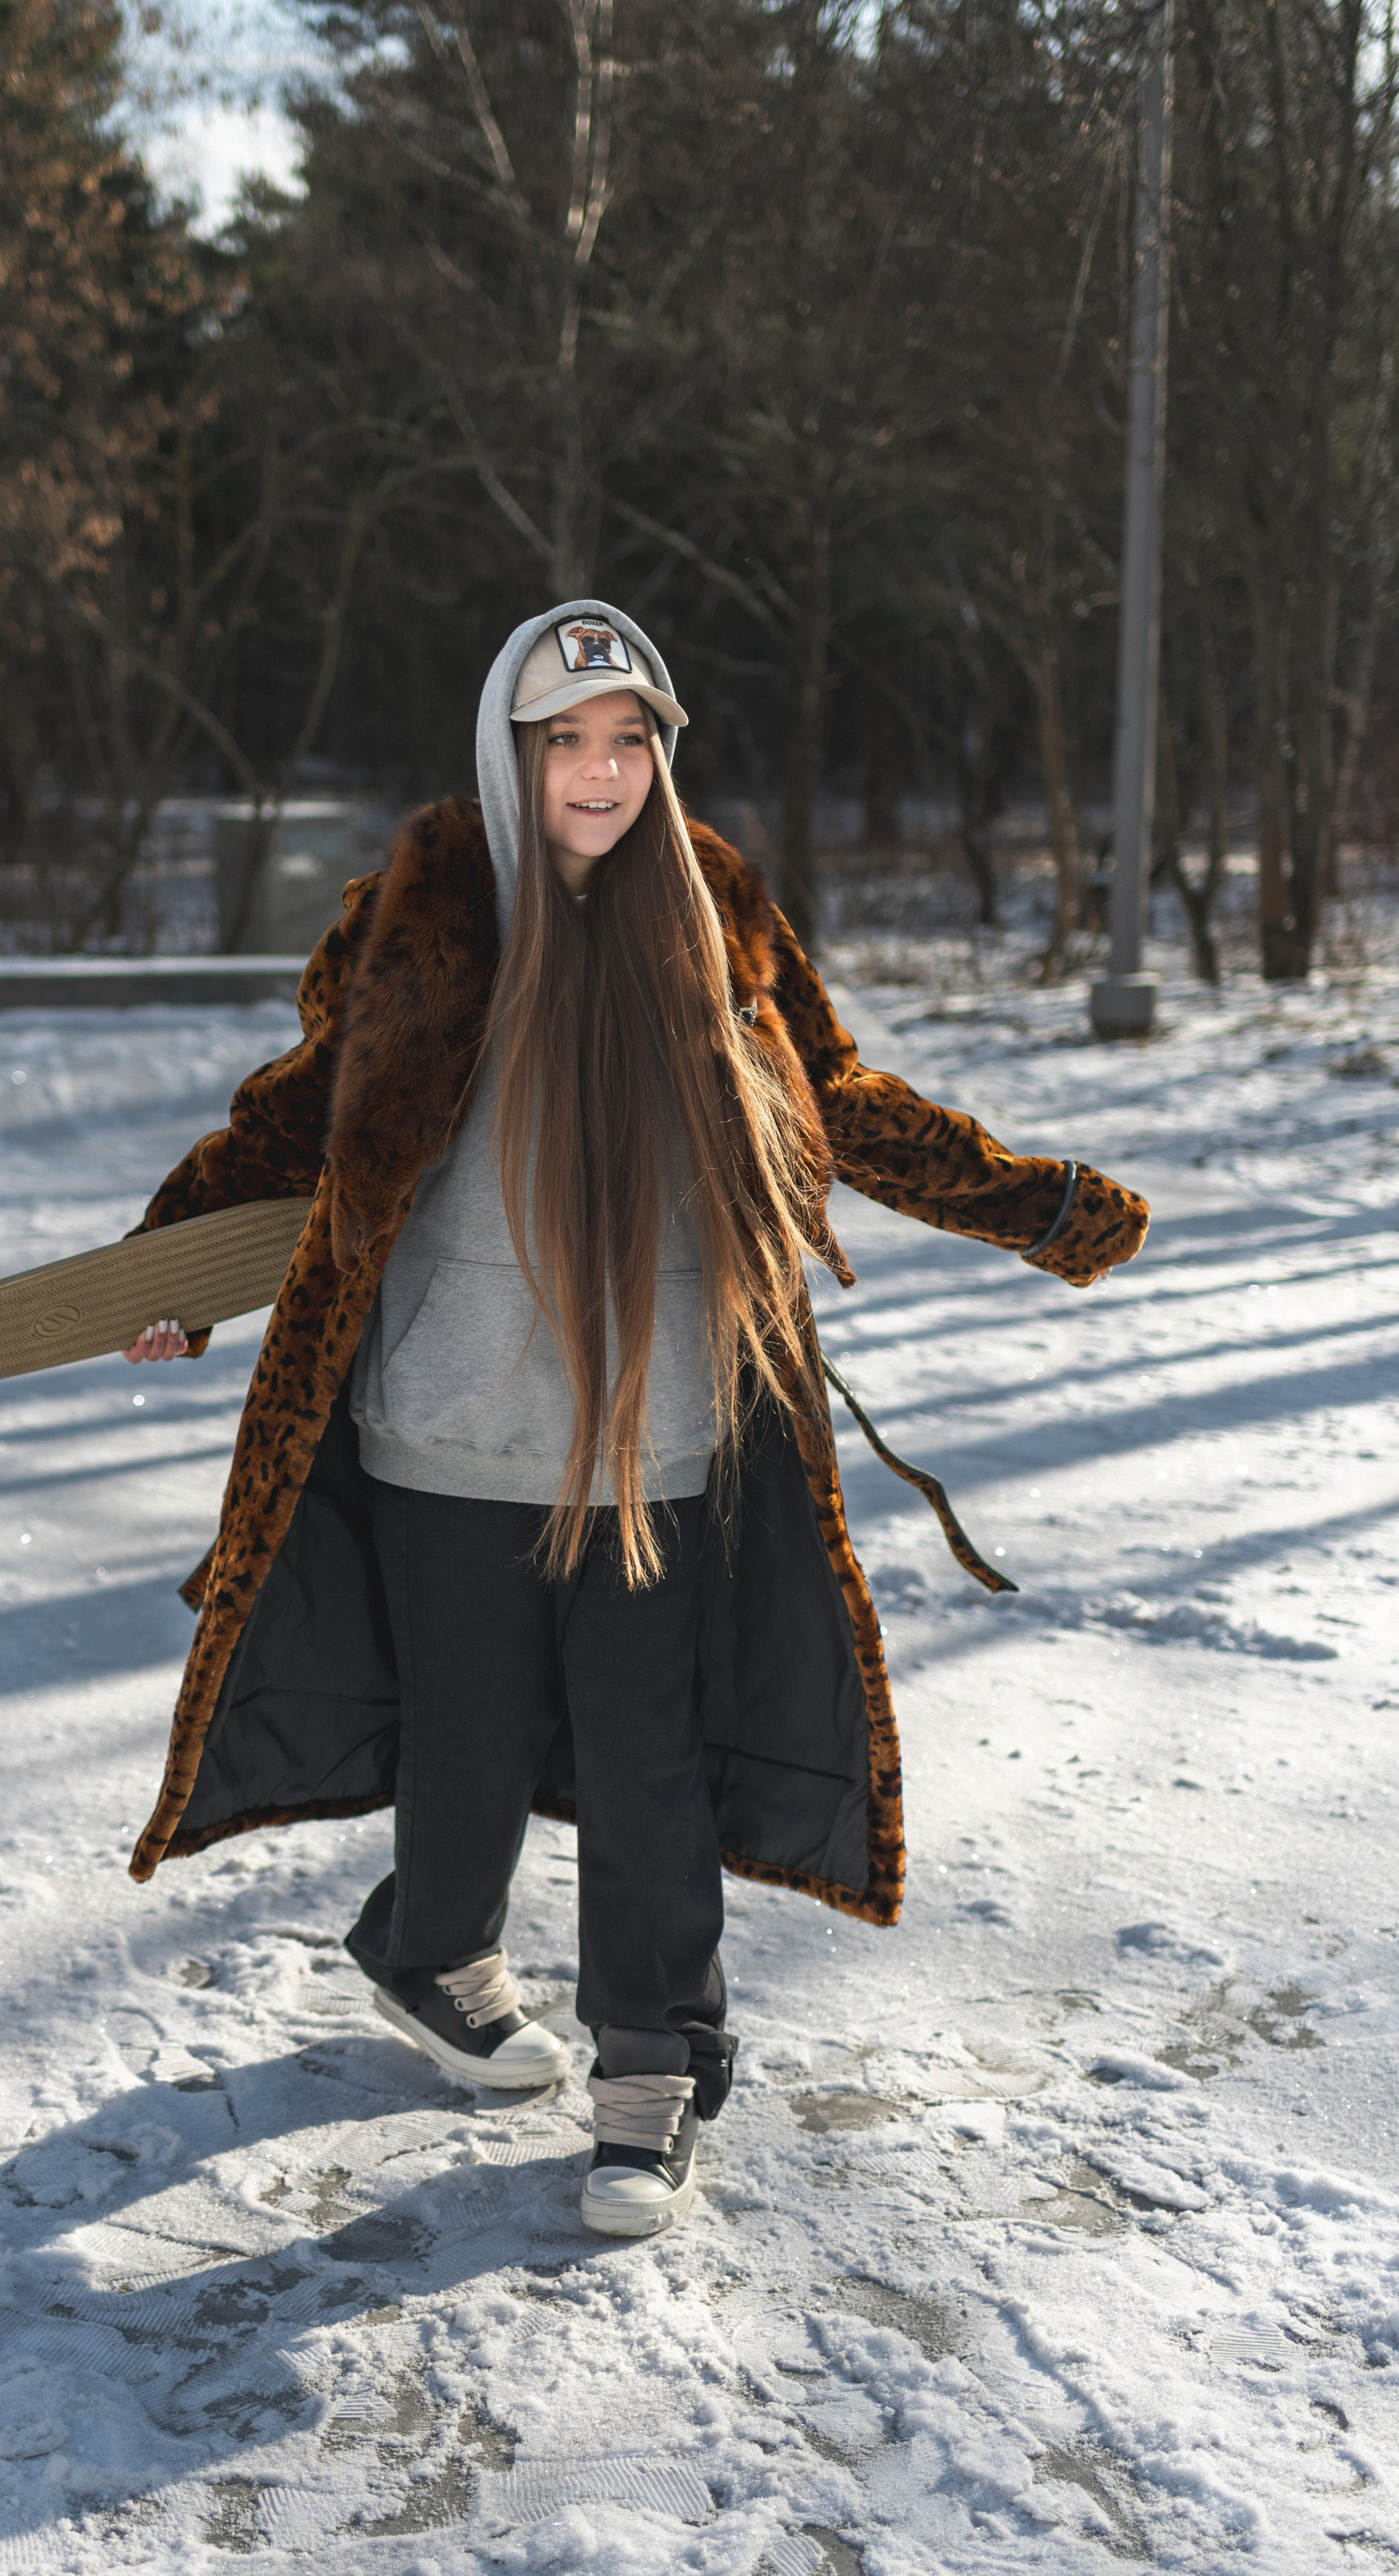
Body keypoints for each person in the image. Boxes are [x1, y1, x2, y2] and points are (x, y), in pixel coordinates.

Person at [121, 601, 1149, 2239]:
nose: (599, 772)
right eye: (564, 742)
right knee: (464, 1746)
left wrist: (1040, 1207)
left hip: (657, 1444)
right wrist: (165, 1274)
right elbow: (294, 1123)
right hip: (443, 1432)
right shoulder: (419, 915)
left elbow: (839, 1102)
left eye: (628, 740)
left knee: (643, 1763)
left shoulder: (715, 911)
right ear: (508, 750)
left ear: (661, 752)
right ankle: (432, 1955)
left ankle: (651, 2071)